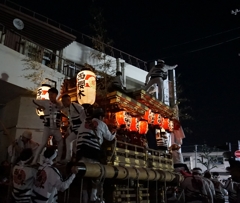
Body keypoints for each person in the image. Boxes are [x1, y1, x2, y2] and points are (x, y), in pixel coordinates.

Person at [76, 108, 116, 203]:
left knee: (84, 176)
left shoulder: (83, 123)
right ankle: (93, 197)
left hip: (80, 151)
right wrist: (114, 132)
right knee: (97, 173)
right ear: (101, 117)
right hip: (92, 151)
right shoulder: (102, 124)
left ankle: (84, 198)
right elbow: (110, 137)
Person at [31, 87, 63, 165]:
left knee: (61, 143)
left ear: (56, 94)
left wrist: (55, 102)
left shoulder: (59, 103)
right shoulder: (45, 102)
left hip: (56, 127)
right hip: (47, 126)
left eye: (52, 94)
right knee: (43, 143)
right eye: (49, 94)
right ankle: (34, 160)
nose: (50, 96)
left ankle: (58, 160)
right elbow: (33, 101)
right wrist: (39, 106)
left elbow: (61, 106)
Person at [61, 94, 86, 162]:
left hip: (79, 129)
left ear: (68, 100)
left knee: (69, 140)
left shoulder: (76, 106)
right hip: (75, 129)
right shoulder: (68, 109)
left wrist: (83, 125)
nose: (63, 103)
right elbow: (71, 121)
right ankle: (74, 159)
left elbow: (83, 112)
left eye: (64, 101)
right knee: (74, 144)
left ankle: (68, 158)